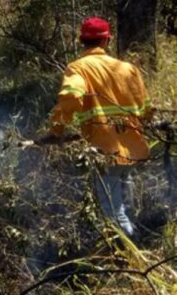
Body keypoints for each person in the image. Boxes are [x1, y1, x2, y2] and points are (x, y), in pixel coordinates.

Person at [23, 17, 152, 237]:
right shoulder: (128, 69)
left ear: (82, 40)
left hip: (105, 152)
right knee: (122, 202)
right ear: (107, 40)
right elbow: (146, 108)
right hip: (133, 148)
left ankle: (129, 254)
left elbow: (72, 97)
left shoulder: (78, 68)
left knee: (112, 213)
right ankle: (134, 243)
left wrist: (57, 130)